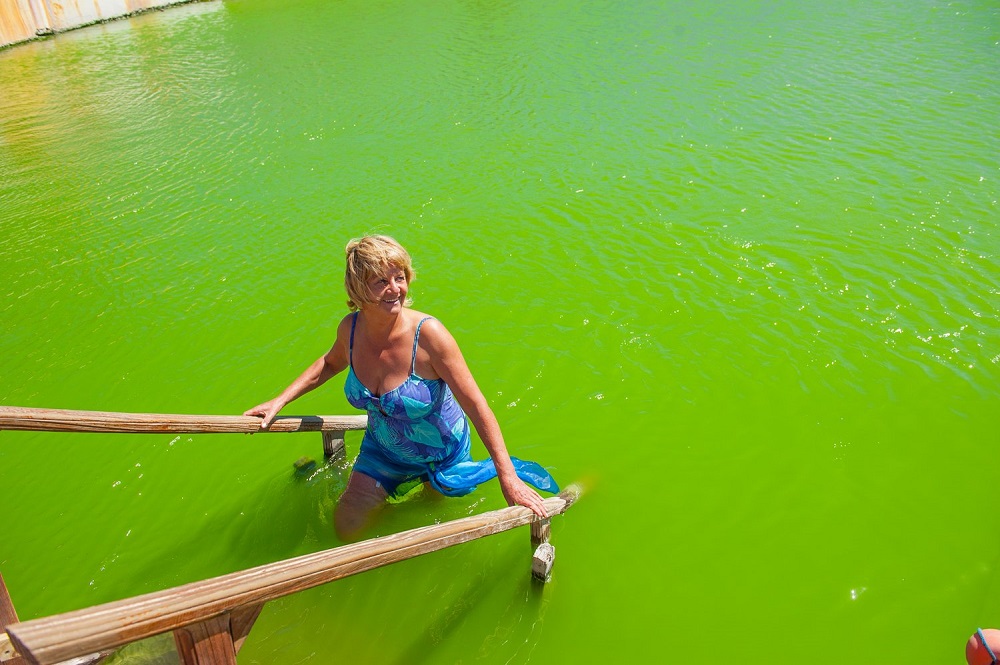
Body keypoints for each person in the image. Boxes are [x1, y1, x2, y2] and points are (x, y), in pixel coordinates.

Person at [245, 235, 557, 540]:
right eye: (381, 282)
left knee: (433, 509)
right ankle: (395, 516)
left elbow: (476, 405)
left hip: (441, 451)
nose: (395, 289)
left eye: (400, 277)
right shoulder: (350, 330)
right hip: (383, 448)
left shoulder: (430, 336)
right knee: (347, 525)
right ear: (358, 289)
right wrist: (280, 400)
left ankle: (425, 497)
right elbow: (328, 364)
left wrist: (507, 477)